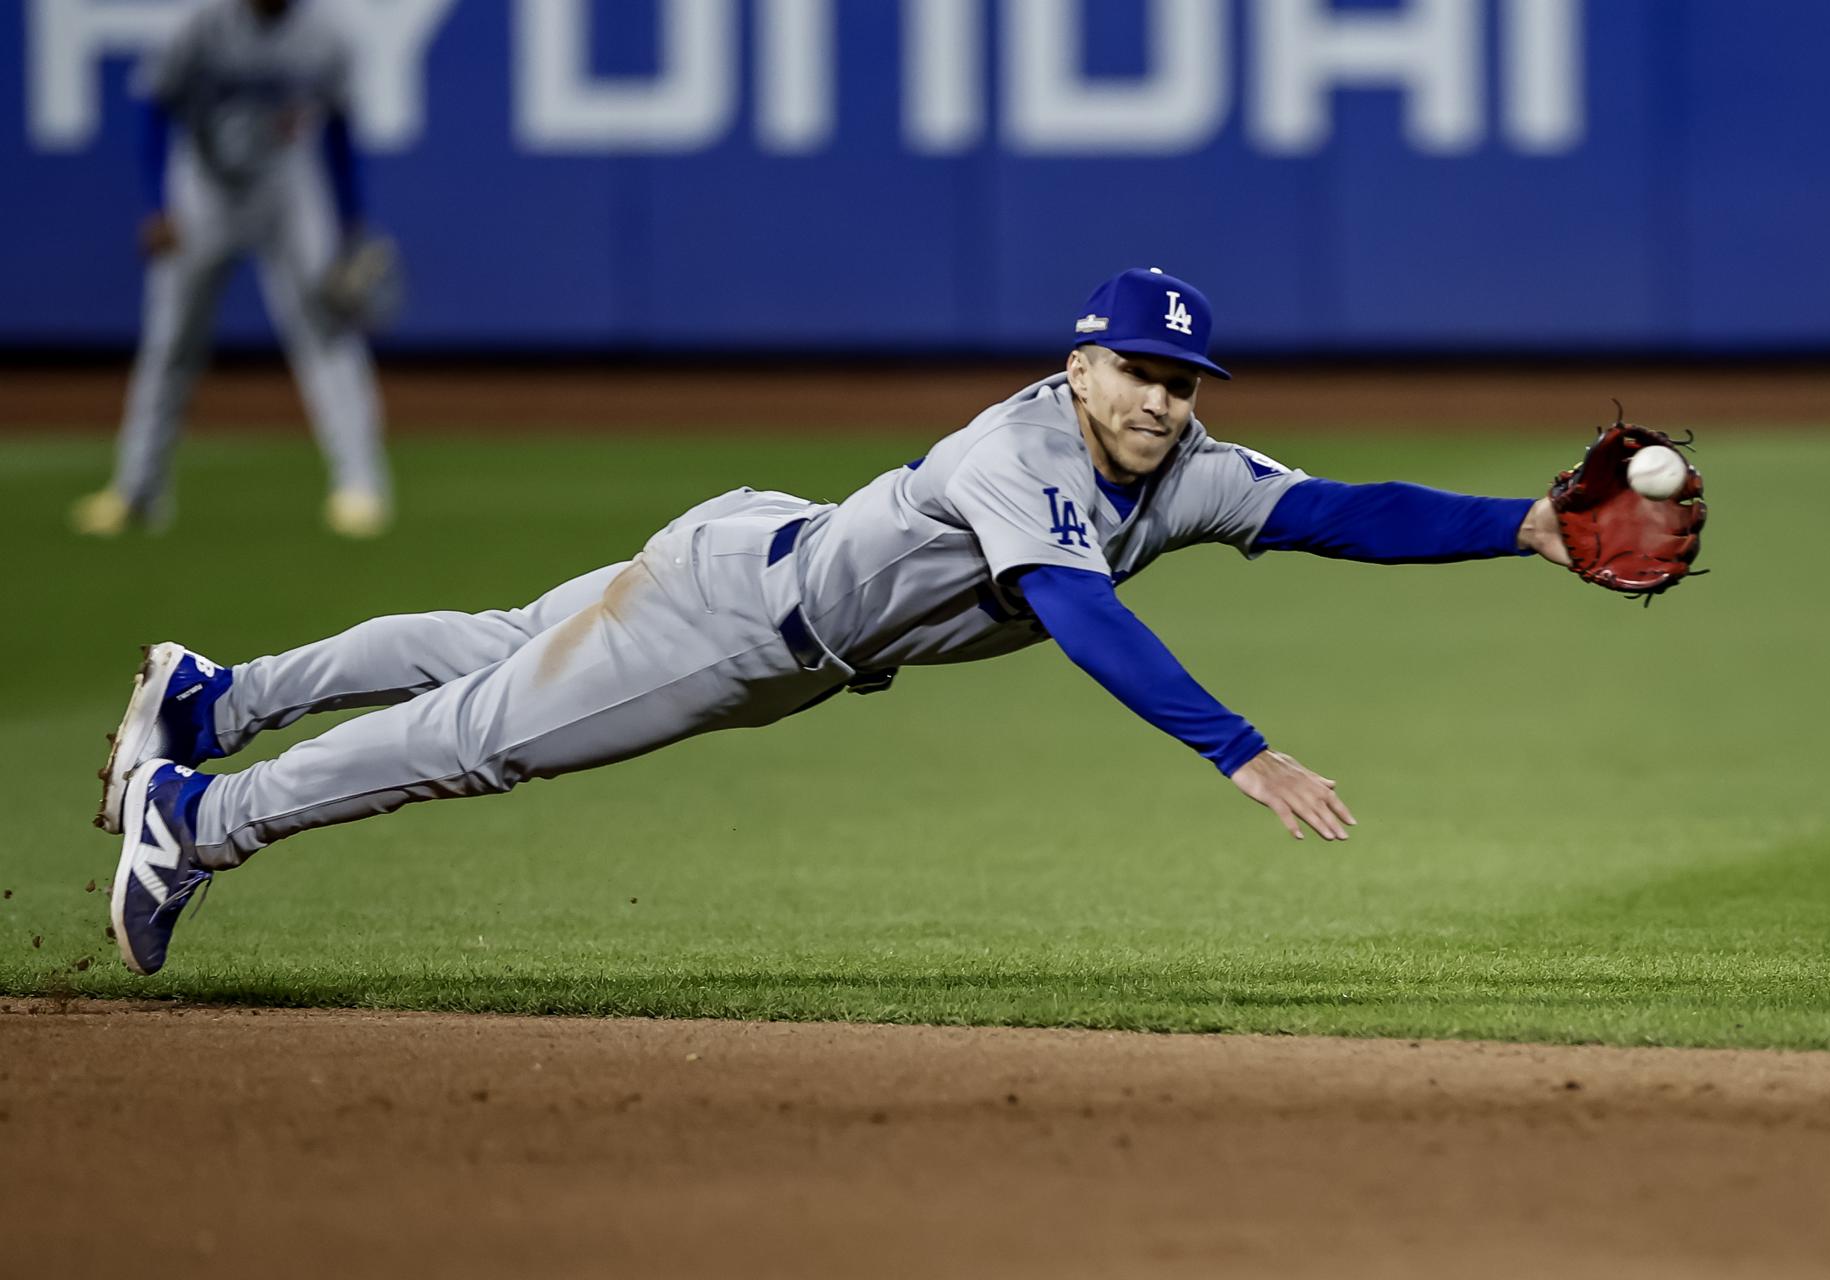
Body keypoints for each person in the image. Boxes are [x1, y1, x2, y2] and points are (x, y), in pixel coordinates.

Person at [98, 267, 1572, 976]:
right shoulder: (1025, 457)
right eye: (1135, 371)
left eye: (1181, 384)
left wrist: (1522, 527)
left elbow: (1337, 509)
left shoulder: (1177, 468)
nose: (1160, 403)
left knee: (484, 643)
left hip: (753, 543)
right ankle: (199, 817)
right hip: (738, 627)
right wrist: (1237, 749)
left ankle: (215, 698)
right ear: (1078, 364)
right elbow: (1075, 611)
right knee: (479, 734)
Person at [71, 0, 393, 540]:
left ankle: (361, 487)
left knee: (327, 336)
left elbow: (338, 130)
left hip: (289, 193)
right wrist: (159, 205)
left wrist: (349, 223)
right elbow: (156, 108)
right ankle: (138, 491)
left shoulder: (323, 34)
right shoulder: (201, 26)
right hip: (202, 192)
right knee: (172, 343)